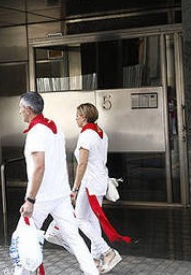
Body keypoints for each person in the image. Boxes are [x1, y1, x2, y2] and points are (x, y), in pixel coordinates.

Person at [13, 91, 99, 275]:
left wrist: (30, 200)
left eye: (20, 108)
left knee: (24, 239)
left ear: (28, 109)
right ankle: (93, 272)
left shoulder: (36, 132)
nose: (19, 111)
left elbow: (39, 168)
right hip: (60, 194)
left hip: (41, 197)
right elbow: (61, 160)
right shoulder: (55, 128)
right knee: (74, 238)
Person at [71, 103, 122, 273]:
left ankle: (107, 252)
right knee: (92, 221)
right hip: (99, 180)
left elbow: (82, 164)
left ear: (84, 117)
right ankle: (94, 259)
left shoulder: (86, 135)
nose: (76, 118)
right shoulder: (101, 134)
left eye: (77, 115)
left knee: (79, 219)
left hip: (89, 183)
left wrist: (75, 188)